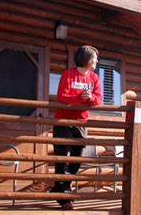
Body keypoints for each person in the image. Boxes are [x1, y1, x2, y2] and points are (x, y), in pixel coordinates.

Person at [50, 45, 102, 210]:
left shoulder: (94, 78)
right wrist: (82, 99)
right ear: (86, 58)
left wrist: (90, 97)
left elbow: (99, 99)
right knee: (62, 157)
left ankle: (59, 188)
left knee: (77, 158)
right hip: (63, 121)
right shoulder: (68, 74)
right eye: (94, 58)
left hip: (81, 122)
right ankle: (65, 195)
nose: (96, 61)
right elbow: (62, 97)